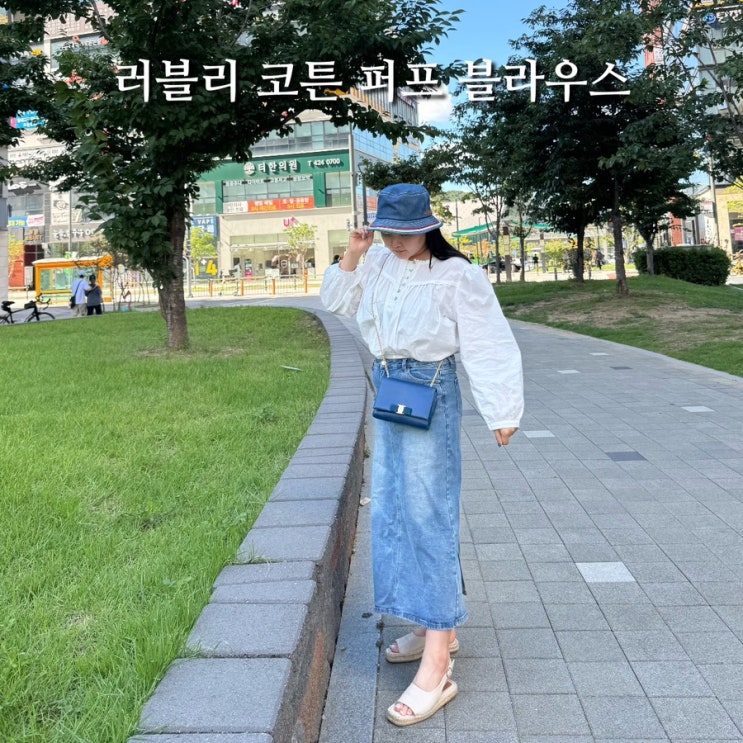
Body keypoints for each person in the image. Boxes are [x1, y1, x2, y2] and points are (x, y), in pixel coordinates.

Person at [320, 184, 523, 727]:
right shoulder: (378, 263)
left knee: (430, 514)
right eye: (387, 231)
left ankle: (438, 664)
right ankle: (437, 625)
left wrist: (502, 410)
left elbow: (488, 341)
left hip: (430, 388)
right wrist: (355, 253)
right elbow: (336, 301)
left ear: (429, 227)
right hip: (390, 388)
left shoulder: (458, 275)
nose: (396, 241)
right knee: (394, 511)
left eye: (405, 233)